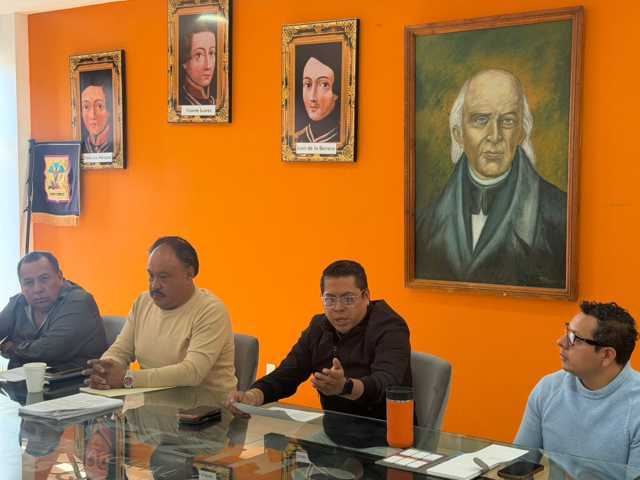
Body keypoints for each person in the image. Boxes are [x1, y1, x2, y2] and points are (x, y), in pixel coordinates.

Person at [416, 69, 567, 288]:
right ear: (458, 133)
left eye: (507, 121)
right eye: (480, 120)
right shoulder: (424, 224)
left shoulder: (560, 216)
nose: (495, 136)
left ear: (522, 133)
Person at [227, 260, 411, 420]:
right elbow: (287, 374)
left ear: (366, 297)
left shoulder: (390, 327)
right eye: (330, 300)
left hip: (387, 435)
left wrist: (345, 387)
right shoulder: (319, 327)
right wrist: (253, 396)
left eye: (348, 299)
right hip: (334, 432)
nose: (338, 308)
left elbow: (386, 385)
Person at [84, 236, 236, 393]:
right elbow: (120, 350)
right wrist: (105, 370)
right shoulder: (143, 302)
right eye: (151, 276)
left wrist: (127, 379)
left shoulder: (211, 311)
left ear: (189, 274)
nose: (154, 285)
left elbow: (192, 372)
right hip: (152, 403)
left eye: (164, 277)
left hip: (207, 406)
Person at [515, 301, 640, 466]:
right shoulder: (548, 388)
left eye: (574, 338)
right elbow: (518, 466)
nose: (560, 341)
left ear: (606, 355)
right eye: (567, 331)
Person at [0, 251, 107, 369]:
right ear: (21, 286)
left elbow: (50, 350)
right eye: (29, 283)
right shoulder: (18, 302)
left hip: (73, 378)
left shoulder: (79, 301)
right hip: (20, 379)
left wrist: (13, 348)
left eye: (44, 279)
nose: (37, 289)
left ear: (60, 277)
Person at [295, 43, 341, 144]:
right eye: (308, 84)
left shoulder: (342, 138)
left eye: (324, 85)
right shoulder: (296, 139)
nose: (312, 97)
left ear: (335, 93)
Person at [179, 15, 216, 106]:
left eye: (211, 53)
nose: (208, 66)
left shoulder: (213, 101)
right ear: (184, 62)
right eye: (199, 55)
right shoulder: (181, 101)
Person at [80, 70, 113, 154]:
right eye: (86, 107)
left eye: (99, 106)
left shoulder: (115, 146)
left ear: (109, 110)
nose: (92, 115)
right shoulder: (82, 147)